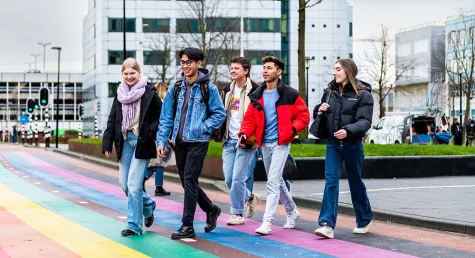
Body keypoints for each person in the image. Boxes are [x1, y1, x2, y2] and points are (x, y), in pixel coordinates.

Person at [156, 47, 226, 239]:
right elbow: (166, 117)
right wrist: (161, 140)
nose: (185, 66)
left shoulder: (208, 88)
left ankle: (188, 225)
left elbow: (220, 114)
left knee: (189, 180)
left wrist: (202, 127)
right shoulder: (176, 88)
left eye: (189, 62)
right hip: (179, 142)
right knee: (189, 183)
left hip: (198, 141)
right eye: (183, 63)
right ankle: (211, 209)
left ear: (198, 63)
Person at [239, 56, 309, 235]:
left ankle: (267, 222)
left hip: (281, 143)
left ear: (279, 71)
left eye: (269, 68)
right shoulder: (257, 95)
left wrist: (291, 130)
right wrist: (245, 133)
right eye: (263, 67)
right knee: (277, 181)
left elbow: (304, 116)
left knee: (272, 182)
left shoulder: (289, 94)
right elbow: (249, 119)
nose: (264, 71)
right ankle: (292, 211)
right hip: (265, 144)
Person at [313, 59, 373, 239]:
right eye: (334, 69)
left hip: (352, 144)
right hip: (332, 143)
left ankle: (364, 219)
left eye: (338, 69)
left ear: (348, 71)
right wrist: (319, 109)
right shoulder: (329, 91)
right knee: (331, 181)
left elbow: (365, 121)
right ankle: (327, 224)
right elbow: (319, 113)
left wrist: (348, 131)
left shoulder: (363, 95)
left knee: (355, 181)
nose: (334, 72)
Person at [102, 58, 162, 236]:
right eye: (126, 73)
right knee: (125, 185)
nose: (129, 76)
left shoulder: (149, 92)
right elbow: (113, 119)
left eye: (132, 73)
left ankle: (134, 226)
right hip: (124, 141)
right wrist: (107, 142)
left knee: (134, 185)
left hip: (142, 142)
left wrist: (150, 132)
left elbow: (162, 116)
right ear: (122, 74)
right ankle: (149, 206)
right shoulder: (120, 94)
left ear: (139, 73)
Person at [220, 57, 259, 225]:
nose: (232, 71)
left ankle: (237, 213)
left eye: (236, 68)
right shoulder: (227, 90)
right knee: (229, 179)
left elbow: (259, 117)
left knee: (238, 179)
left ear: (246, 71)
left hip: (246, 141)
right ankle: (250, 196)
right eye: (231, 68)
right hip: (229, 140)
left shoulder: (256, 91)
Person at [143, 82, 171, 196]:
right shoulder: (163, 104)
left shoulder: (151, 103)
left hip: (152, 136)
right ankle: (157, 186)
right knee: (159, 163)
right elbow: (164, 122)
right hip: (159, 137)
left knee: (156, 164)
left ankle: (146, 182)